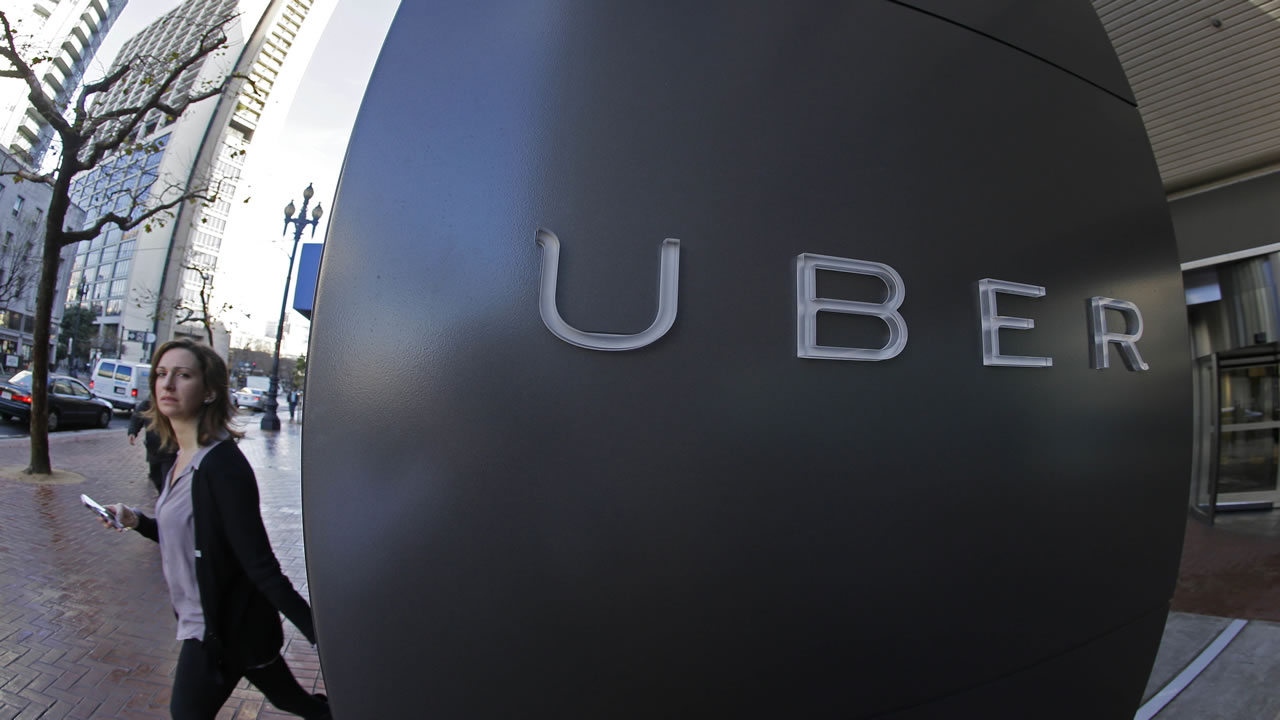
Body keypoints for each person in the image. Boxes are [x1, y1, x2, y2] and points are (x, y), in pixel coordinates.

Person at [101, 339, 330, 719]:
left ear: (209, 392)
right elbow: (194, 539)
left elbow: (260, 564)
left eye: (183, 375)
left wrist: (319, 635)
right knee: (292, 701)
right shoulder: (176, 458)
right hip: (219, 624)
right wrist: (137, 521)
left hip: (223, 630)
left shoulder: (222, 467)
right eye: (161, 374)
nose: (167, 384)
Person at [127, 396, 176, 493]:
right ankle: (162, 495)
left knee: (167, 480)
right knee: (156, 477)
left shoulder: (173, 402)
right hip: (153, 449)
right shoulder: (148, 402)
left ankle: (165, 499)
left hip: (170, 449)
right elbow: (137, 416)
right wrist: (132, 432)